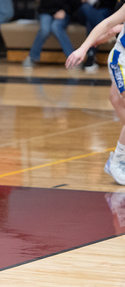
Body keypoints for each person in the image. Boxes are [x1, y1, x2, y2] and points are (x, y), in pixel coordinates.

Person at [66, 7, 125, 185]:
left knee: (115, 100)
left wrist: (118, 29)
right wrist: (82, 49)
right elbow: (107, 23)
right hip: (121, 60)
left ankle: (118, 158)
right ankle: (117, 162)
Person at [22, 0, 81, 67]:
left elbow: (75, 3)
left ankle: (72, 59)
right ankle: (32, 57)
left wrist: (65, 10)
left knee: (55, 27)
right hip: (46, 11)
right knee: (45, 29)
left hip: (63, 12)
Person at [73, 0, 116, 72]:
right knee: (85, 7)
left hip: (102, 11)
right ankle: (109, 32)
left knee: (90, 21)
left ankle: (90, 56)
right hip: (83, 11)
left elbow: (111, 4)